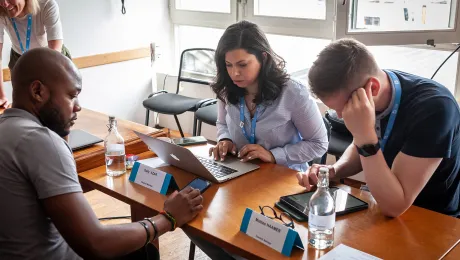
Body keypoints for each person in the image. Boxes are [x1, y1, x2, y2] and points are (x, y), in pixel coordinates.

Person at [0, 48, 203, 259]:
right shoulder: (39, 141)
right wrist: (169, 218)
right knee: (145, 253)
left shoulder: (8, 129)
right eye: (72, 96)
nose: (78, 107)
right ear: (38, 92)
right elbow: (96, 244)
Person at [297, 38, 460, 218]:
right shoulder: (375, 90)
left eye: (342, 108)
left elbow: (395, 206)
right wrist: (333, 170)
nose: (341, 116)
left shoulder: (435, 109)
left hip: (431, 218)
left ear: (372, 87)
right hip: (380, 203)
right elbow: (360, 144)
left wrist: (365, 136)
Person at [209, 20, 328, 172]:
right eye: (228, 65)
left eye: (243, 65)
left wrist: (274, 155)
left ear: (263, 58)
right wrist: (225, 139)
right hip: (241, 170)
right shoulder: (226, 87)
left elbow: (319, 144)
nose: (235, 73)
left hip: (284, 174)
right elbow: (223, 124)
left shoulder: (293, 92)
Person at [0, 0, 71, 108]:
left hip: (50, 58)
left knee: (57, 106)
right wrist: (1, 96)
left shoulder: (47, 4)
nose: (4, 4)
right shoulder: (1, 10)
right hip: (19, 57)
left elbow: (55, 51)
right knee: (25, 107)